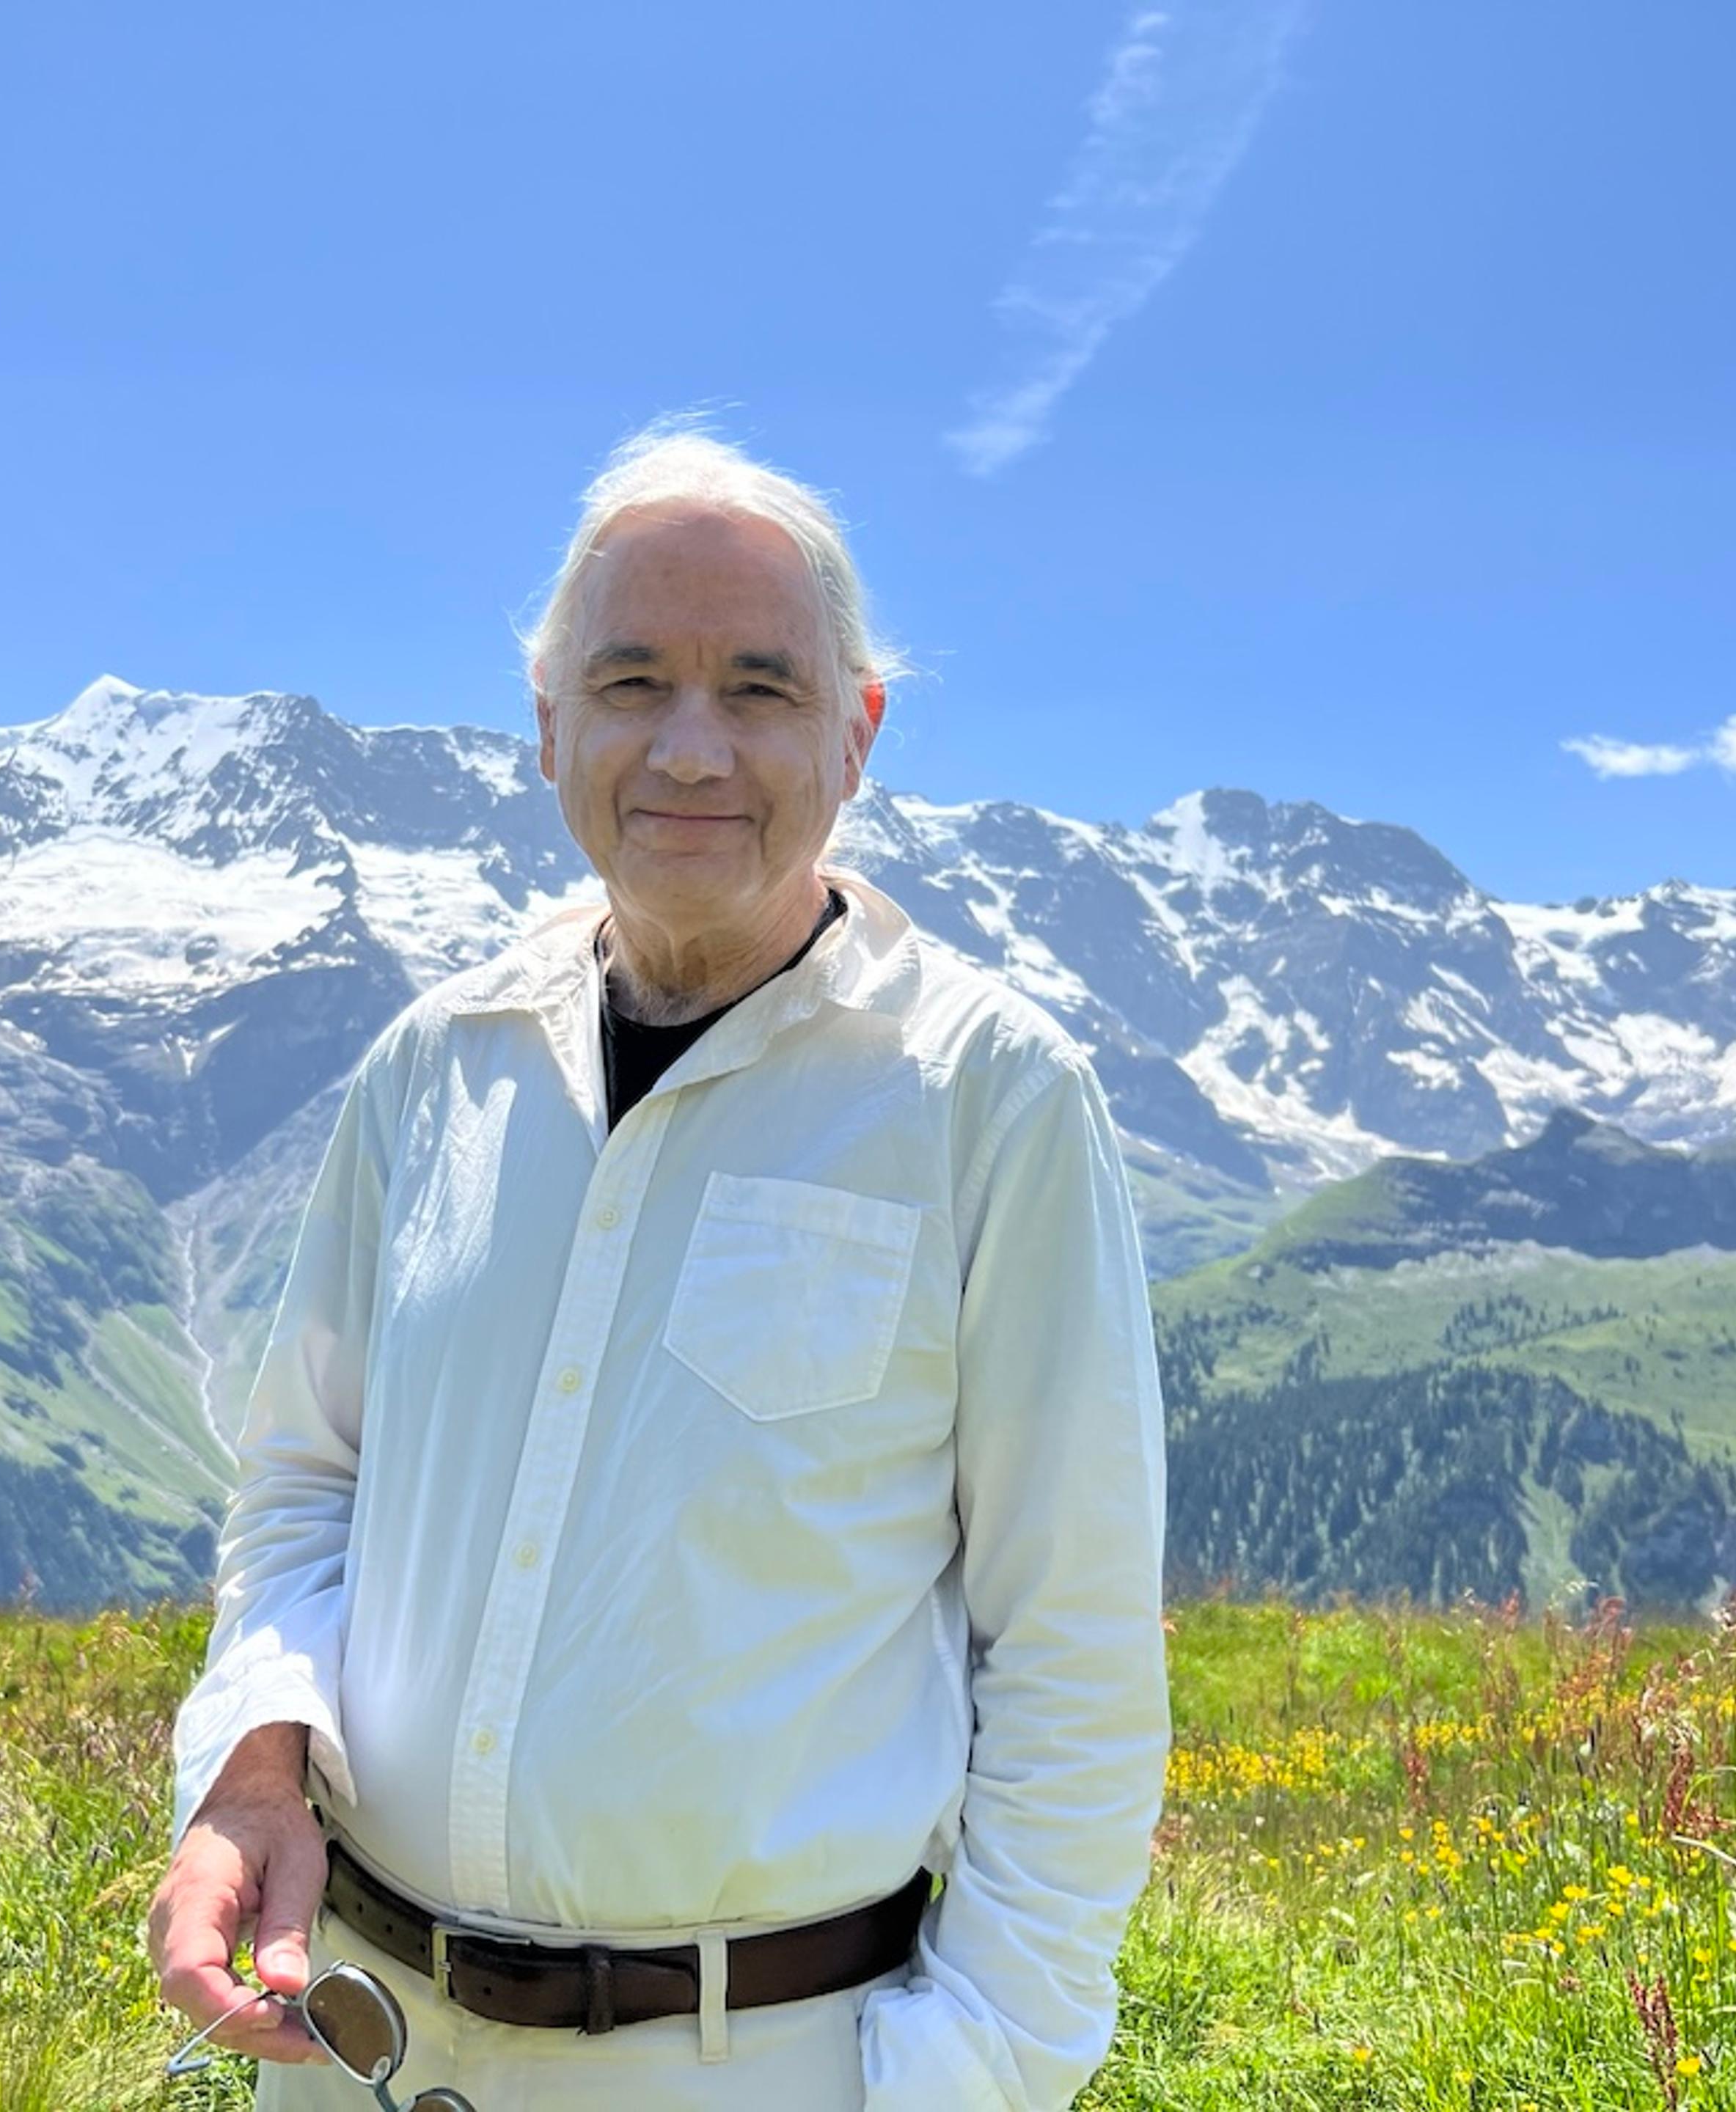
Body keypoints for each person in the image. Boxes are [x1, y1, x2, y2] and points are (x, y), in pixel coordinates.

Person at [146, 425, 1170, 2110]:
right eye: (632, 682)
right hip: (358, 2045)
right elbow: (305, 1484)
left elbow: (1071, 1647)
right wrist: (254, 1773)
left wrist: (977, 2073)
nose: (691, 747)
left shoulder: (990, 1100)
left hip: (757, 2064)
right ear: (549, 721)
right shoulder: (433, 1068)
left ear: (860, 731)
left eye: (761, 689)